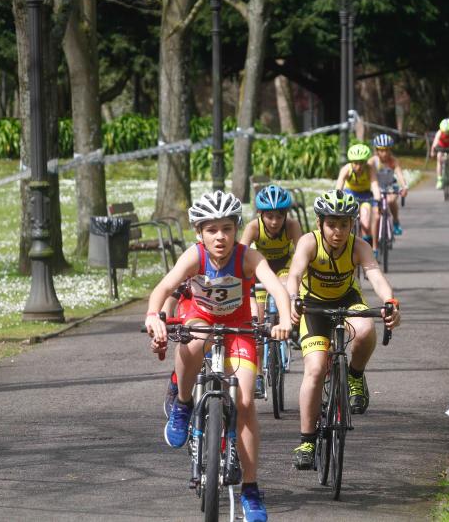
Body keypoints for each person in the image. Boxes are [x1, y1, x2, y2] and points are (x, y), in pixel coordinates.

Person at [145, 190, 292, 522]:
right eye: (211, 229)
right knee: (193, 340)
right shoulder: (194, 256)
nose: (220, 237)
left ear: (236, 229)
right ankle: (183, 404)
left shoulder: (248, 257)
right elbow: (164, 287)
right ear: (200, 233)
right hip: (203, 319)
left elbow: (276, 287)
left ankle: (251, 492)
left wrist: (283, 320)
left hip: (240, 328)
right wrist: (154, 315)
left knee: (244, 402)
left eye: (226, 228)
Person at [285, 189, 401, 470]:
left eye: (344, 224)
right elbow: (295, 274)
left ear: (352, 224)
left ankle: (355, 376)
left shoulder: (358, 246)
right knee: (314, 370)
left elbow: (376, 277)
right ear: (320, 223)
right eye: (332, 224)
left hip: (347, 301)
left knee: (364, 329)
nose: (338, 231)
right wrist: (291, 299)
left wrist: (390, 302)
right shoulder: (308, 243)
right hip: (313, 307)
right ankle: (308, 440)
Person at [240, 184, 303, 395]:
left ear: (286, 214)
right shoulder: (253, 227)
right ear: (260, 214)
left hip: (284, 267)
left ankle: (294, 327)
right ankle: (258, 375)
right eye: (269, 216)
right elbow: (240, 256)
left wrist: (298, 280)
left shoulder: (291, 226)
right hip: (261, 271)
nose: (275, 222)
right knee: (256, 323)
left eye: (279, 216)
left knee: (288, 288)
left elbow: (302, 255)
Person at [336, 143, 382, 256]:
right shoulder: (346, 169)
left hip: (365, 196)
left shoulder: (369, 169)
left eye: (361, 162)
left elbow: (375, 185)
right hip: (350, 195)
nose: (359, 166)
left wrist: (378, 199)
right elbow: (339, 186)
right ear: (351, 162)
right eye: (355, 163)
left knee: (365, 224)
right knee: (345, 221)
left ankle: (367, 250)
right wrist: (338, 198)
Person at [370, 134, 408, 235]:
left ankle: (395, 221)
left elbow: (399, 175)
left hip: (391, 185)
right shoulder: (373, 161)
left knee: (391, 200)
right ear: (377, 150)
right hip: (377, 186)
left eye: (387, 150)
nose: (384, 153)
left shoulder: (393, 161)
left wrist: (404, 187)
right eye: (381, 150)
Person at [430, 118, 449, 189]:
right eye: (445, 131)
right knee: (439, 158)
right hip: (441, 148)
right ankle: (439, 179)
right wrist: (432, 151)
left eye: (448, 131)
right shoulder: (439, 132)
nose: (447, 133)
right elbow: (435, 143)